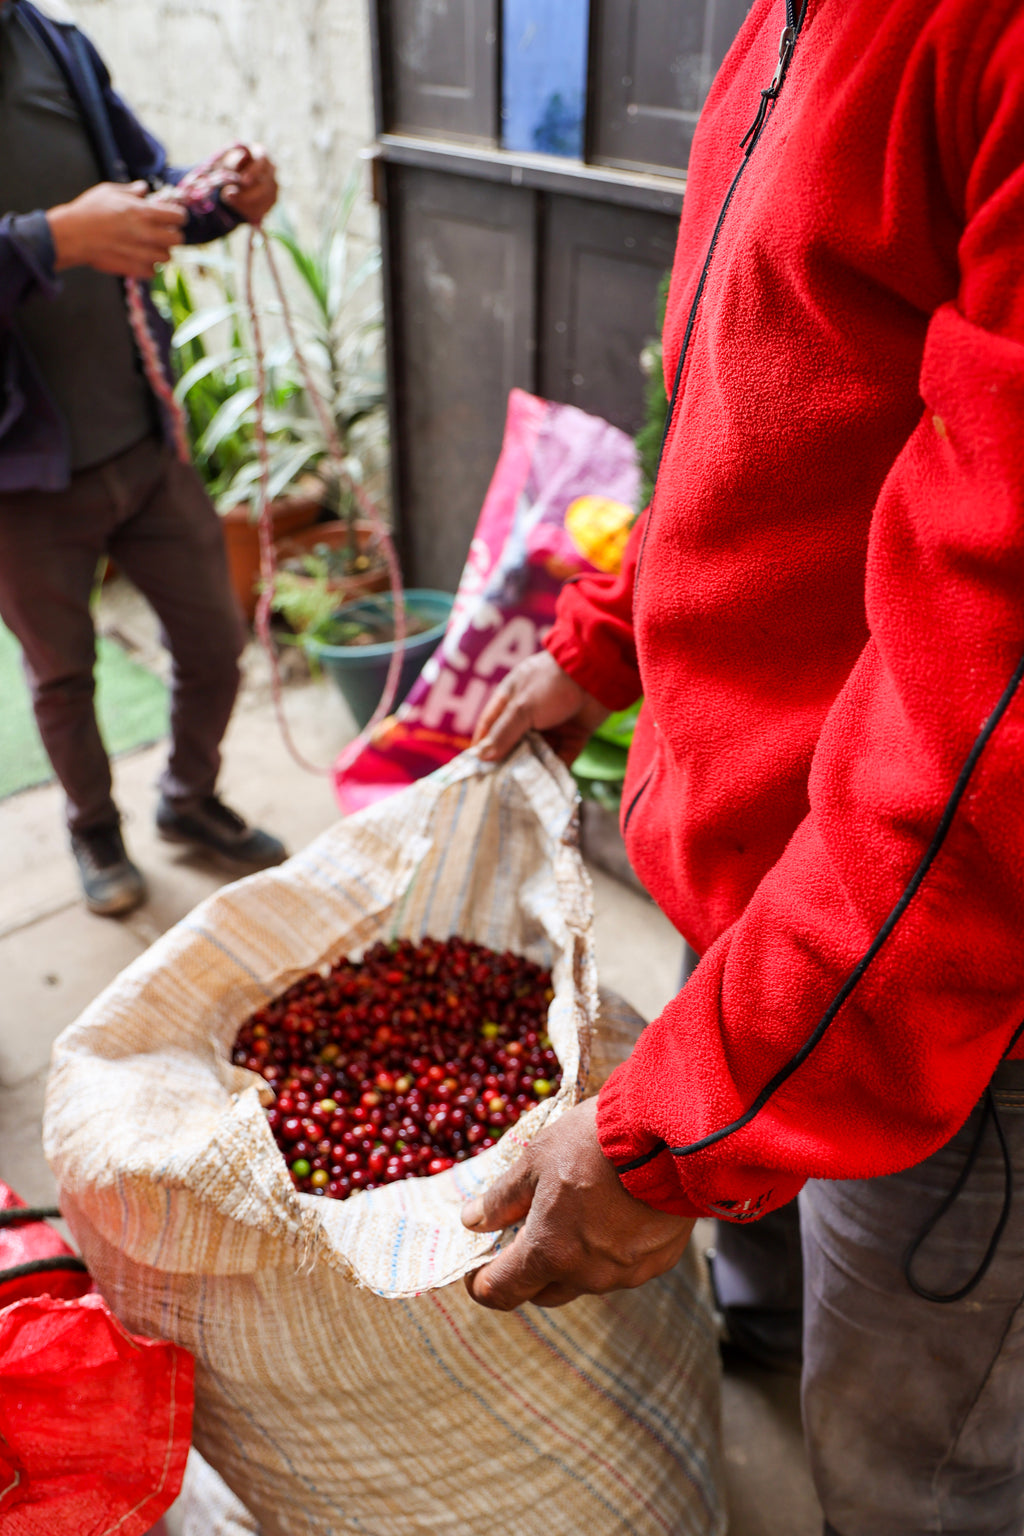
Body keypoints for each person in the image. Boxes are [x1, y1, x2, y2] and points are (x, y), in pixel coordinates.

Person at [461, 1, 1024, 1532]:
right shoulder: (786, 22)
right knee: (784, 1266)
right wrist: (606, 634)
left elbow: (989, 735)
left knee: (920, 1468)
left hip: (933, 1005)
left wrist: (690, 1127)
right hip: (779, 906)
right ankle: (765, 1326)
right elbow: (751, 404)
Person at [0, 0, 287, 917]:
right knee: (63, 675)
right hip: (17, 480)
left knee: (216, 641)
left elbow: (149, 189)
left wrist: (219, 198)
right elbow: (77, 228)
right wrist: (52, 239)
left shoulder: (53, 42)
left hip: (142, 438)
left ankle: (187, 800)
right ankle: (93, 829)